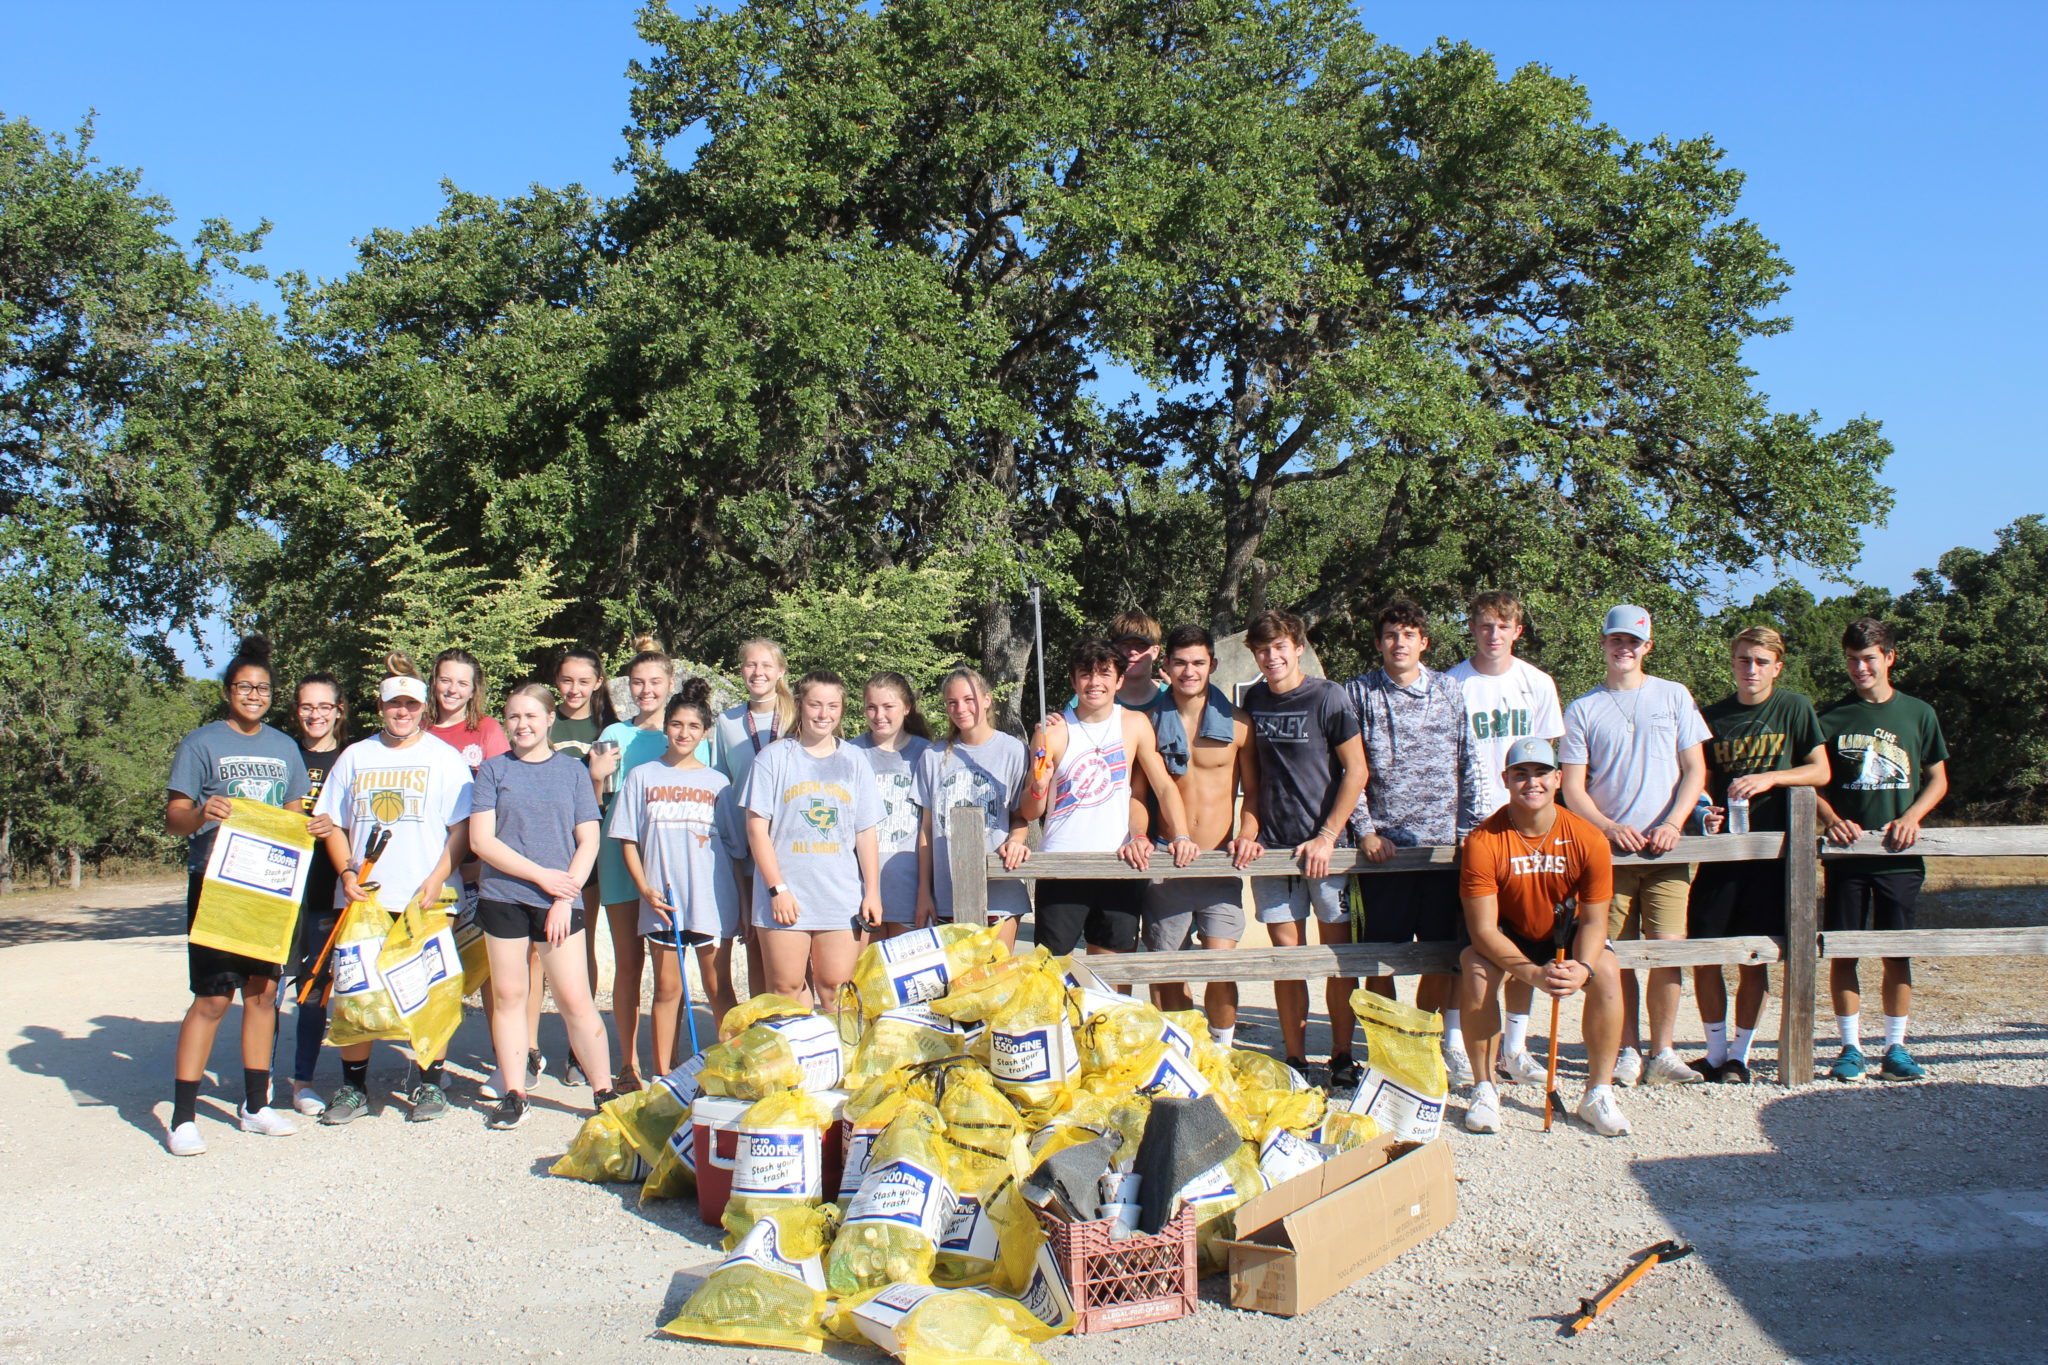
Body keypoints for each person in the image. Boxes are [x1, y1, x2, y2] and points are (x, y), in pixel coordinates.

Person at [163, 636, 313, 1156]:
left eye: (264, 688)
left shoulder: (284, 747)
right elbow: (174, 820)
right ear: (228, 691)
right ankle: (183, 1116)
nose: (254, 694)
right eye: (245, 686)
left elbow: (293, 817)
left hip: (269, 887)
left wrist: (311, 826)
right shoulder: (200, 743)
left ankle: (255, 1105)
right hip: (216, 883)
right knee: (211, 998)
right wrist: (204, 812)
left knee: (263, 995)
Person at [312, 653, 474, 1124]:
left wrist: (438, 877)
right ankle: (353, 1088)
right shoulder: (356, 756)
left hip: (426, 897)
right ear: (379, 707)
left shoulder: (444, 760)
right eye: (392, 705)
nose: (401, 712)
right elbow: (331, 824)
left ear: (423, 707)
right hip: (365, 899)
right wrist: (345, 872)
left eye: (409, 705)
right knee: (356, 994)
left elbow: (462, 828)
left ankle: (429, 1083)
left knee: (433, 990)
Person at [1560, 604, 1711, 1088]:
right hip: (1607, 855)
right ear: (1603, 644)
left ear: (1647, 646)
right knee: (1614, 954)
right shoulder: (1583, 708)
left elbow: (1694, 769)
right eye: (1615, 640)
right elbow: (1573, 789)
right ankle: (1627, 1048)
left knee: (1667, 950)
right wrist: (1606, 827)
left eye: (1633, 641)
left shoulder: (1674, 696)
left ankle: (1664, 1050)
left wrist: (1674, 822)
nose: (1624, 648)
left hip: (1667, 851)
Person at [1341, 599, 1488, 1084]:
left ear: (1423, 641)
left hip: (1443, 849)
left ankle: (1428, 1041)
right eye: (1390, 634)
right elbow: (1348, 769)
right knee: (1379, 954)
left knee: (1443, 952)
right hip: (1383, 852)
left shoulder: (1449, 691)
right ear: (1379, 641)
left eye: (1408, 634)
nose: (1399, 643)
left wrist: (1469, 836)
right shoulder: (1358, 692)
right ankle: (1388, 1049)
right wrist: (1364, 830)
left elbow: (1469, 764)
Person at [1456, 738, 1631, 1137]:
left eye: (1540, 773)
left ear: (1558, 778)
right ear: (1505, 779)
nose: (1531, 782)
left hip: (1563, 934)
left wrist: (1582, 968)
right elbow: (1482, 929)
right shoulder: (1484, 840)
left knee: (1606, 969)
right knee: (1475, 968)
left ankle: (1598, 1093)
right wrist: (1532, 974)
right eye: (1520, 773)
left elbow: (1593, 920)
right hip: (1508, 933)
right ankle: (1485, 1088)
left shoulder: (1588, 838)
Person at [468, 684, 616, 1128]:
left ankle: (604, 1091)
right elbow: (481, 841)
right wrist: (540, 877)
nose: (522, 725)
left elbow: (588, 840)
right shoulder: (493, 771)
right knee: (510, 996)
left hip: (560, 902)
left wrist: (561, 896)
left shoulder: (572, 772)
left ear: (550, 720)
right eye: (513, 716)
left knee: (575, 999)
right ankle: (515, 1091)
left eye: (531, 716)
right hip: (504, 898)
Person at [1687, 626, 1829, 1083]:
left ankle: (1739, 1056)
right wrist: (1704, 814)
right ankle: (1712, 1052)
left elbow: (1820, 769)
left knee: (1757, 955)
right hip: (1724, 853)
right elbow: (1700, 783)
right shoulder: (1711, 717)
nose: (1751, 670)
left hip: (1774, 856)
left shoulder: (1794, 707)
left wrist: (1772, 778)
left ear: (1777, 667)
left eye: (1761, 662)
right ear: (1732, 663)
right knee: (1705, 950)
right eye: (1744, 660)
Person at [1233, 610, 1367, 1081]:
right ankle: (1294, 1058)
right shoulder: (1253, 700)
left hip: (1325, 851)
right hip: (1274, 849)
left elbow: (1357, 770)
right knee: (1287, 960)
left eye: (1279, 647)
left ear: (1298, 646)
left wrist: (1328, 835)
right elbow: (1252, 777)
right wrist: (1248, 831)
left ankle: (1342, 1055)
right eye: (1262, 650)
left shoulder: (1328, 697)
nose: (1272, 657)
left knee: (1336, 958)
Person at [1815, 616, 1949, 1083]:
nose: (1860, 668)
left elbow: (1937, 778)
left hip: (1899, 857)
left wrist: (1912, 817)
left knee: (1898, 952)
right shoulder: (1829, 717)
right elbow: (1812, 781)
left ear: (1889, 658)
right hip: (1848, 857)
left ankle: (1896, 1046)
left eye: (1869, 658)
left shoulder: (1917, 713)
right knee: (1843, 951)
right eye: (1852, 660)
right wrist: (1832, 820)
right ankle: (1849, 1047)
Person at [1447, 589, 1565, 1087]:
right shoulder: (1453, 683)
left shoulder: (1536, 683)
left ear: (1518, 631)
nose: (1493, 634)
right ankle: (1456, 1041)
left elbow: (1549, 760)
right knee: (1467, 942)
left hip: (1526, 827)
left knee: (1527, 936)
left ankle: (1515, 1046)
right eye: (1484, 625)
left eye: (1503, 625)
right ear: (1471, 629)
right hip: (1472, 826)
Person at [1020, 638, 1196, 963]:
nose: (1094, 682)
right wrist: (1038, 785)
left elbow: (1164, 787)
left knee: (1114, 971)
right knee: (1051, 972)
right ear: (1074, 681)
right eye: (1085, 674)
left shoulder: (1133, 724)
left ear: (1118, 680)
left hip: (1117, 863)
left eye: (1104, 673)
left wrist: (1181, 835)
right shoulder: (1051, 732)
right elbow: (1031, 810)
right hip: (1062, 865)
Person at [614, 682, 745, 1069]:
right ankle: (664, 1077)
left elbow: (736, 853)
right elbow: (627, 840)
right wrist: (645, 889)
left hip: (711, 901)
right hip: (663, 903)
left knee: (719, 987)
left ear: (705, 733)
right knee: (667, 990)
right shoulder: (642, 776)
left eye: (692, 726)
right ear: (665, 727)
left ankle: (733, 1071)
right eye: (676, 724)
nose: (683, 733)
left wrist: (742, 905)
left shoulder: (718, 783)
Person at [1138, 626, 1256, 1045]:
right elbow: (1138, 795)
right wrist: (1139, 835)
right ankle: (1182, 1049)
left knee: (1221, 966)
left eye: (1199, 662)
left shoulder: (1239, 725)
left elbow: (1254, 793)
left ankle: (1221, 1048)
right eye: (1181, 662)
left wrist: (1248, 833)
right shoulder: (1146, 725)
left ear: (1213, 665)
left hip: (1218, 862)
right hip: (1166, 861)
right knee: (1165, 967)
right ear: (1166, 666)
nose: (1189, 671)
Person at [743, 671, 884, 1008]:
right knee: (786, 990)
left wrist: (873, 892)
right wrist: (777, 888)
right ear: (800, 706)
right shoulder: (774, 758)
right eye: (816, 705)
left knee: (838, 990)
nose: (824, 714)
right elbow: (756, 829)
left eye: (833, 706)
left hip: (840, 896)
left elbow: (865, 832)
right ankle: (798, 1058)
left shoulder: (855, 761)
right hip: (786, 896)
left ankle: (841, 1060)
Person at [588, 637, 681, 1091]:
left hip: (670, 860)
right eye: (638, 682)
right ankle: (627, 1063)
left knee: (670, 966)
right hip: (618, 856)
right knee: (630, 963)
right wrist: (595, 776)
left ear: (670, 683)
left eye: (655, 682)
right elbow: (593, 804)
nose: (646, 690)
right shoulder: (613, 736)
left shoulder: (685, 733)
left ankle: (672, 1059)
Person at [913, 669, 1033, 949]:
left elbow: (1021, 816)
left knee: (998, 980)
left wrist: (1016, 842)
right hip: (948, 894)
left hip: (999, 893)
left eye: (969, 699)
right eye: (952, 702)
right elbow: (927, 830)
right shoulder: (933, 757)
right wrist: (924, 892)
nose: (960, 708)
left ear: (987, 700)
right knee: (956, 986)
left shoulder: (1013, 751)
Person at [284, 672, 348, 1118]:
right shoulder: (281, 754)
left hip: (329, 888)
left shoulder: (353, 758)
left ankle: (314, 1082)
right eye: (308, 706)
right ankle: (275, 1080)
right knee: (266, 987)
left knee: (317, 989)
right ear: (296, 711)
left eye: (324, 706)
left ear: (338, 711)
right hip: (281, 889)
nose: (316, 714)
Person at [851, 672, 934, 938]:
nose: (879, 715)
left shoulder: (926, 753)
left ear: (907, 708)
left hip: (909, 887)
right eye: (871, 707)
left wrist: (925, 891)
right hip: (858, 889)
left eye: (888, 707)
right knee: (865, 977)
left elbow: (927, 828)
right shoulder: (850, 753)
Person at [714, 637, 796, 792]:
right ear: (741, 670)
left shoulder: (797, 717)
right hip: (740, 816)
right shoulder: (727, 721)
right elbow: (720, 781)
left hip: (786, 816)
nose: (758, 672)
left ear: (781, 671)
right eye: (751, 665)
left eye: (767, 666)